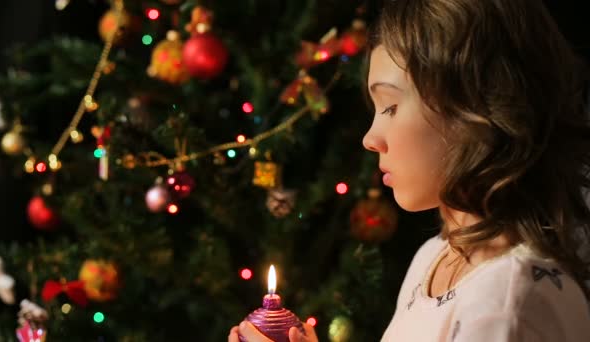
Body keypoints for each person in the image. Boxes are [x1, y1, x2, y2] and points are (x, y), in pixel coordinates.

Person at [229, 0, 590, 340]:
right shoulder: (434, 257)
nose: (370, 139)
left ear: (474, 109)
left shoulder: (505, 307)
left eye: (389, 106)